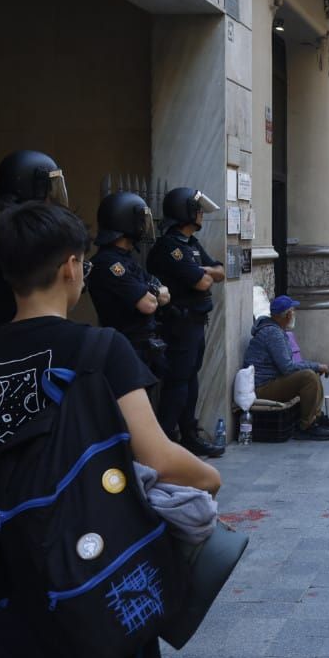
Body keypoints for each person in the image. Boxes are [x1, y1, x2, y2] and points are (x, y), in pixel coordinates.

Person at [0, 202, 220, 658]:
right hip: (93, 583)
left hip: (0, 601)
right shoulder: (100, 348)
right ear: (70, 267)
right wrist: (208, 478)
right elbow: (157, 455)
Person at [86, 192, 184, 435]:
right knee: (132, 419)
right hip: (128, 346)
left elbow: (163, 293)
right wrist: (154, 292)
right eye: (140, 220)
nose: (144, 226)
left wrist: (153, 292)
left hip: (144, 347)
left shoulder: (127, 260)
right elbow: (149, 303)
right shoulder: (109, 263)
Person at [146, 187, 225, 457]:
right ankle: (166, 441)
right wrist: (204, 273)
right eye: (197, 209)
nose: (202, 214)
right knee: (178, 382)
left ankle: (189, 435)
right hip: (178, 324)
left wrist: (203, 271)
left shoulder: (190, 244)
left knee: (190, 381)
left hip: (195, 322)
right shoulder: (171, 247)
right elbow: (204, 280)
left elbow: (220, 271)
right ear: (185, 212)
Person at [0, 150, 69, 331]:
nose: (50, 198)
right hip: (25, 337)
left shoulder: (0, 237)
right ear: (35, 190)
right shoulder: (13, 242)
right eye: (48, 189)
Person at [245, 296, 329, 438]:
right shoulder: (273, 333)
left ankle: (316, 416)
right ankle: (305, 426)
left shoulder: (276, 330)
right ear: (287, 315)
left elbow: (289, 364)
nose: (294, 315)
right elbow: (287, 368)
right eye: (292, 311)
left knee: (311, 373)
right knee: (308, 376)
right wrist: (316, 366)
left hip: (271, 382)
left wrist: (315, 367)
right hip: (263, 387)